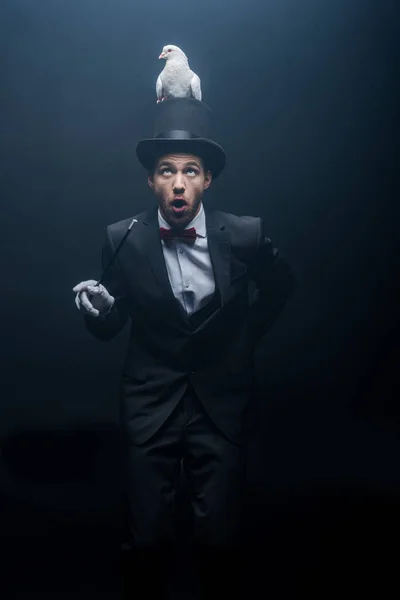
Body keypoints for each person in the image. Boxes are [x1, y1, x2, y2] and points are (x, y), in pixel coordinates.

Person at [72, 98, 296, 599]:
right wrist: (100, 312)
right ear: (151, 181)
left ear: (207, 180)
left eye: (190, 171)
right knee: (146, 541)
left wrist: (244, 339)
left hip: (222, 405)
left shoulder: (243, 235)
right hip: (152, 405)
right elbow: (113, 325)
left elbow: (281, 286)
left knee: (220, 541)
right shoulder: (123, 240)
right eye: (166, 171)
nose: (178, 183)